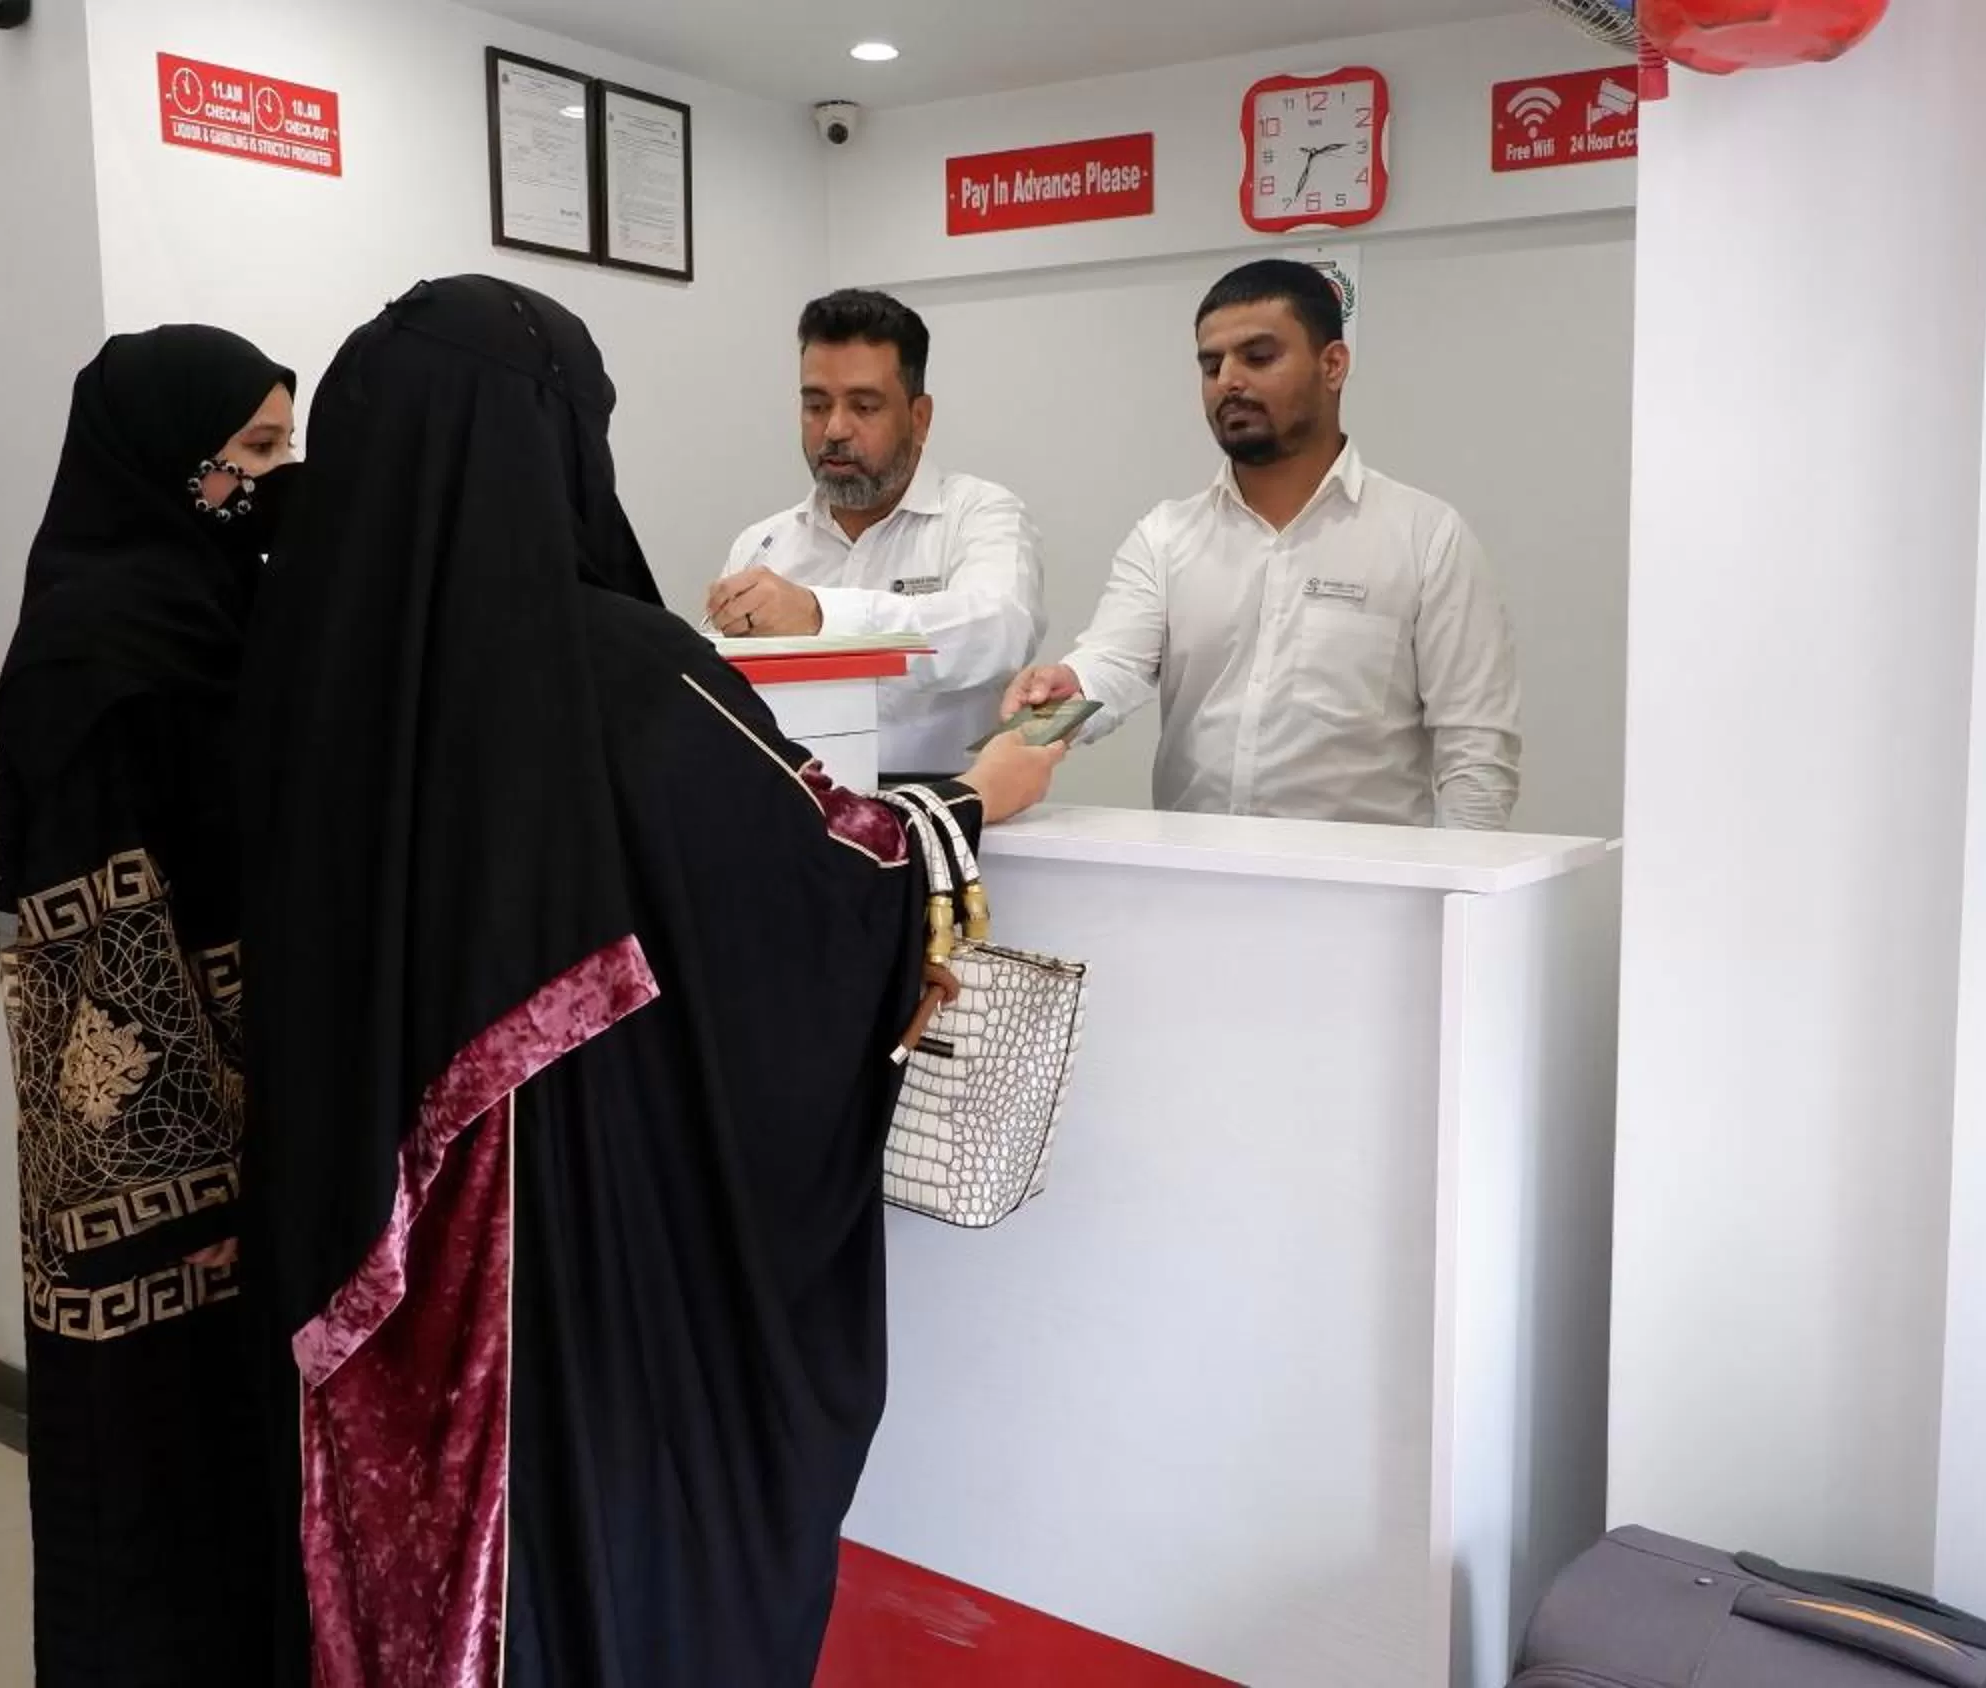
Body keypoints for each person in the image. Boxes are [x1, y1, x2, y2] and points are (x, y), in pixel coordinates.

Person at [239, 276, 1065, 1686]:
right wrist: (968, 805)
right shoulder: (613, 670)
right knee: (572, 1565)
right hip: (567, 1258)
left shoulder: (306, 657)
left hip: (366, 1249)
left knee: (391, 1549)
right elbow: (817, 885)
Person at [0, 324, 299, 1685]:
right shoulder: (93, 645)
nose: (273, 484)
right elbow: (97, 921)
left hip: (242, 1099)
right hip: (133, 1122)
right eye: (251, 454)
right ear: (165, 461)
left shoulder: (216, 611)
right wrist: (201, 1101)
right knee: (146, 1408)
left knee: (232, 1414)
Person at [1007, 259, 1524, 828]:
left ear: (1332, 366)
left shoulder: (1426, 537)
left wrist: (1460, 905)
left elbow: (1475, 750)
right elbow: (1113, 662)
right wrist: (1063, 694)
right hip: (1200, 884)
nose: (1228, 380)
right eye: (1211, 364)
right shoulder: (1165, 535)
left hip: (1366, 899)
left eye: (1258, 357)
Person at [706, 288, 1044, 782]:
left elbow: (997, 631)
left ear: (920, 417)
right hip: (798, 823)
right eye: (816, 405)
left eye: (864, 407)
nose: (835, 429)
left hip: (950, 817)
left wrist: (821, 617)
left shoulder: (979, 513)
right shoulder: (762, 545)